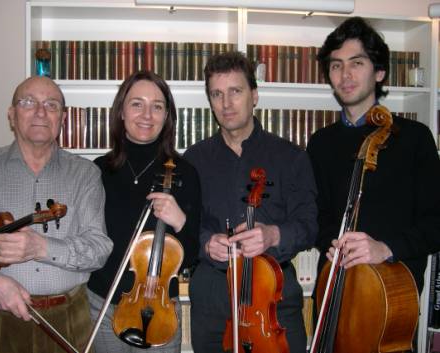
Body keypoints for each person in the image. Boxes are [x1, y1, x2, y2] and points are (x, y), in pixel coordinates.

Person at [306, 15, 440, 339]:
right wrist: (331, 244)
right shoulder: (321, 142)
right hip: (334, 292)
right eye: (336, 65)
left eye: (357, 63)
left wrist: (385, 248)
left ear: (378, 72)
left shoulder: (414, 138)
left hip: (388, 304)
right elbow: (317, 216)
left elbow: (436, 222)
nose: (345, 74)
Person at [183, 51, 318, 353]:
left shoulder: (291, 157)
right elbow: (185, 227)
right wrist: (206, 243)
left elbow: (309, 225)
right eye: (217, 94)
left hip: (275, 294)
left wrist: (274, 234)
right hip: (212, 295)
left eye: (235, 91)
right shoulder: (193, 160)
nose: (226, 103)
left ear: (254, 95)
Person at [0, 76, 113, 353]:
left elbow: (99, 249)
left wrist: (42, 247)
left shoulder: (85, 174)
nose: (40, 112)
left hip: (68, 320)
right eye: (28, 102)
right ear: (12, 115)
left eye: (51, 104)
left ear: (62, 117)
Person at [87, 70, 201, 353]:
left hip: (159, 309)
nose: (147, 114)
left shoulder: (185, 172)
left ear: (167, 116)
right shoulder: (97, 171)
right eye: (137, 103)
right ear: (122, 112)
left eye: (157, 106)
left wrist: (181, 221)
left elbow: (193, 254)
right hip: (103, 304)